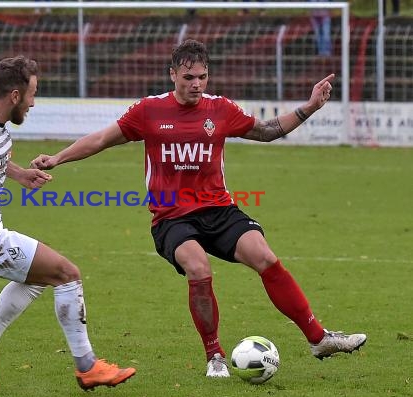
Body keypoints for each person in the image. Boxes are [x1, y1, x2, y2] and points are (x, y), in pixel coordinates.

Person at [30, 39, 367, 378]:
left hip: (218, 210)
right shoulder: (149, 111)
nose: (196, 84)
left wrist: (309, 106)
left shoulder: (219, 109)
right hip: (171, 217)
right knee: (198, 266)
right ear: (173, 74)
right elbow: (102, 139)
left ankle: (319, 338)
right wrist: (58, 157)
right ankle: (215, 355)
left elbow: (266, 131)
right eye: (189, 77)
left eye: (202, 77)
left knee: (264, 257)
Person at [0, 55, 135, 391]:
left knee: (38, 279)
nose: (33, 103)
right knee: (67, 273)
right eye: (32, 94)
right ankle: (87, 367)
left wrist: (18, 174)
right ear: (15, 95)